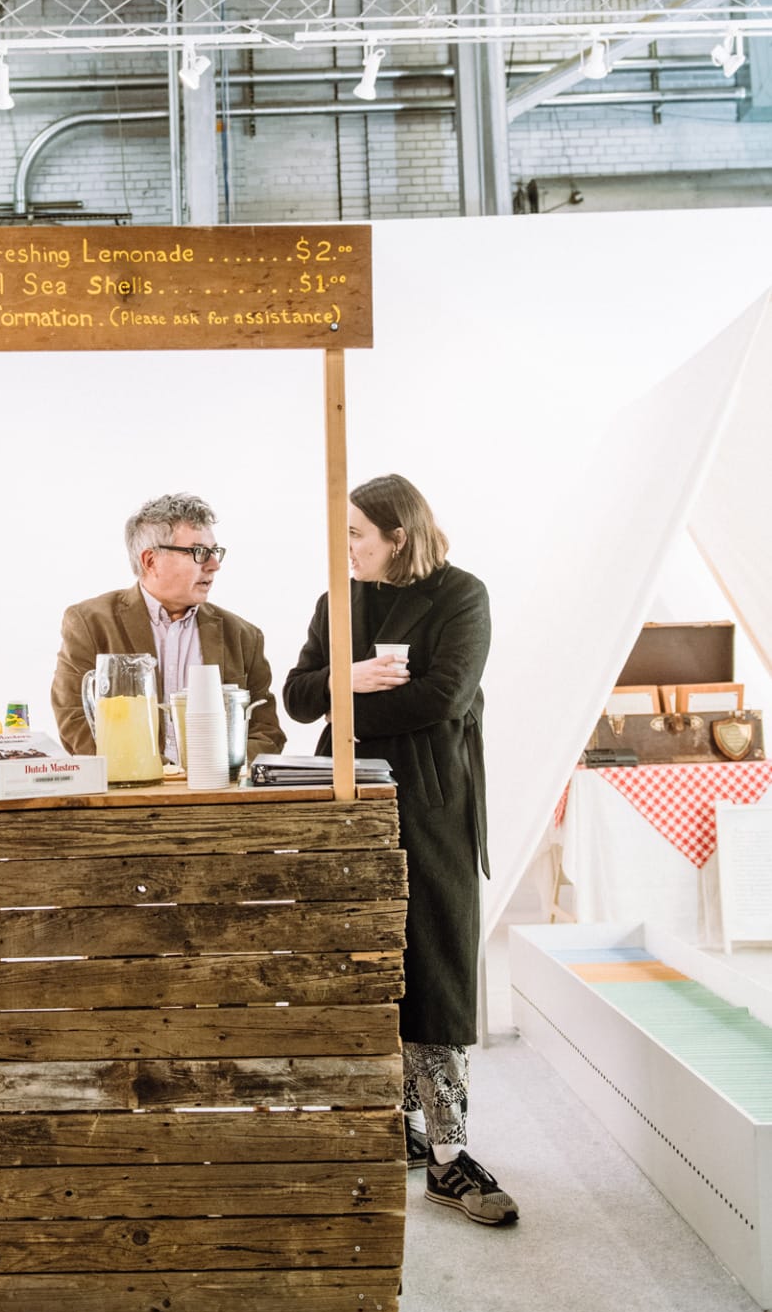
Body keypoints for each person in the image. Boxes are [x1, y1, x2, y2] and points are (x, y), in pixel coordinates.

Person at [283, 473, 518, 1227]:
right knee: (359, 962)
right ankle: (400, 1129)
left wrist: (344, 697)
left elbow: (443, 698)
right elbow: (295, 697)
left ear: (398, 536)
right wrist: (347, 678)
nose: (342, 546)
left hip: (432, 804)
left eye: (353, 533)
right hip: (345, 803)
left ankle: (450, 1157)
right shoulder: (335, 602)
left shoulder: (461, 595)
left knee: (436, 965)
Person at [51, 492, 287, 763]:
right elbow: (74, 719)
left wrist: (216, 767)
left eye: (215, 552)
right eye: (199, 552)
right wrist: (152, 771)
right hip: (128, 794)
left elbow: (266, 733)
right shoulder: (90, 623)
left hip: (218, 795)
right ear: (151, 561)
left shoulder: (244, 635)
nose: (215, 565)